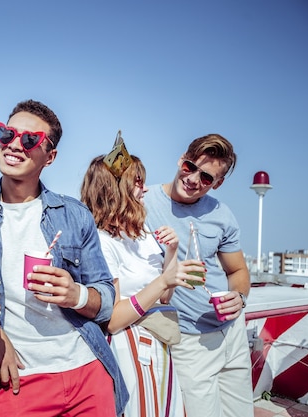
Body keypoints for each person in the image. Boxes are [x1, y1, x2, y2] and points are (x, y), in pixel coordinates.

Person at [0, 99, 129, 417]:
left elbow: (105, 299)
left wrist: (76, 295)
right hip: (14, 379)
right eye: (7, 134)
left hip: (88, 374)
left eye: (30, 139)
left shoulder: (74, 214)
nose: (15, 145)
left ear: (50, 156)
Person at [81, 148, 206, 417]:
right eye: (137, 182)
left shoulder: (142, 232)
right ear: (116, 188)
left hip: (158, 344)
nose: (145, 189)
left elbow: (165, 298)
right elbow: (113, 319)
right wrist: (163, 280)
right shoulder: (102, 241)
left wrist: (171, 252)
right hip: (130, 349)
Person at [143, 134, 253, 417]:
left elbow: (237, 270)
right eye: (191, 167)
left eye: (206, 177)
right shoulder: (143, 202)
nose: (193, 179)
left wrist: (239, 297)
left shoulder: (222, 214)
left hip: (232, 333)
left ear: (218, 183)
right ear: (182, 160)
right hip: (189, 339)